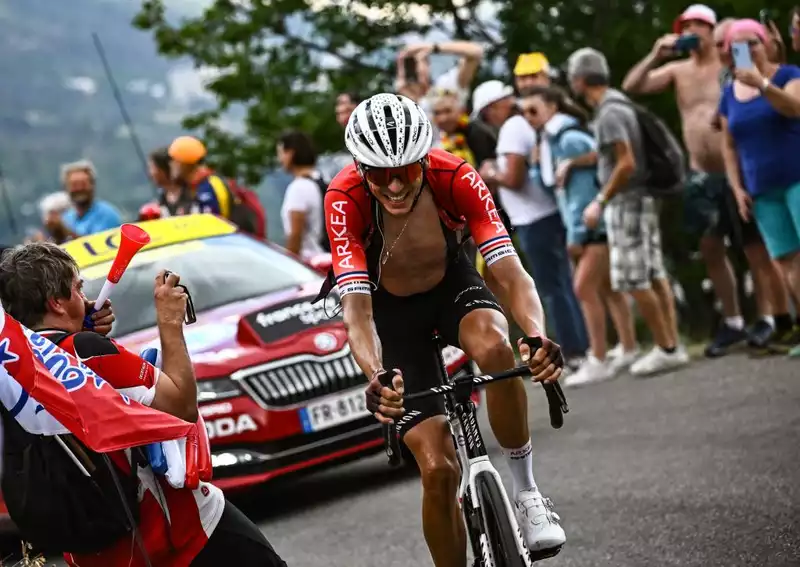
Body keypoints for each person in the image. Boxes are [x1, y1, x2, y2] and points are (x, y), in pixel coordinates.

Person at [320, 93, 566, 567]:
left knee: (495, 346)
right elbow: (357, 312)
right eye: (378, 174)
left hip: (450, 285)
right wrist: (375, 375)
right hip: (390, 313)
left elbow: (511, 272)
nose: (393, 186)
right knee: (437, 469)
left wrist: (536, 334)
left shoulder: (453, 174)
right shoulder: (343, 197)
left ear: (423, 161)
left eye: (406, 172)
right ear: (359, 167)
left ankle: (527, 492)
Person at [0, 242, 290, 566]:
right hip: (182, 535)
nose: (86, 299)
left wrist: (77, 325)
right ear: (57, 302)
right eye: (77, 289)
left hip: (93, 553)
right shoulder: (85, 350)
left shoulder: (11, 373)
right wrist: (169, 322)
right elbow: (180, 406)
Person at [622, 5, 791, 357]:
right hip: (701, 174)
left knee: (755, 248)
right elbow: (632, 86)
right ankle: (732, 321)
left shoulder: (730, 65)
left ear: (714, 32)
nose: (692, 32)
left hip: (739, 169)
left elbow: (769, 66)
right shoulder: (678, 70)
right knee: (711, 246)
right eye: (686, 26)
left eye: (698, 26)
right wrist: (656, 53)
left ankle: (768, 317)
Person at [567, 47, 690, 376]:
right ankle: (672, 344)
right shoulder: (619, 103)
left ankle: (666, 347)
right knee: (653, 272)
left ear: (580, 79)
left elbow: (626, 162)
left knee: (635, 278)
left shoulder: (609, 113)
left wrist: (601, 201)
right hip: (641, 197)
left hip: (627, 200)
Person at [521, 86, 639, 386]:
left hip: (590, 226)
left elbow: (583, 189)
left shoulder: (568, 138)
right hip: (586, 223)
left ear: (551, 106)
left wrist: (577, 233)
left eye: (533, 110)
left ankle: (597, 357)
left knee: (584, 288)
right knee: (608, 288)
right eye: (524, 113)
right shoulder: (550, 142)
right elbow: (557, 188)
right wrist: (537, 164)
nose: (529, 117)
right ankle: (628, 346)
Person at [474, 79, 590, 368]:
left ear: (499, 105)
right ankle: (584, 346)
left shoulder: (513, 128)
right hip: (545, 213)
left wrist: (490, 174)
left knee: (552, 288)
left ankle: (574, 352)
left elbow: (514, 178)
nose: (489, 120)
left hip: (534, 218)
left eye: (489, 113)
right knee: (563, 282)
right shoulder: (523, 125)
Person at [719, 19, 800, 357]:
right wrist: (737, 189)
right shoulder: (729, 93)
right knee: (785, 260)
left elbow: (795, 108)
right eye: (737, 46)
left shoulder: (787, 75)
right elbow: (728, 145)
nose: (747, 50)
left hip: (795, 176)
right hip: (760, 188)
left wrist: (763, 84)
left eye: (752, 42)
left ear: (767, 44)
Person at [278, 130, 326, 259]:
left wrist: (289, 261)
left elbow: (295, 234)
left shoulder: (299, 187)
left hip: (309, 260)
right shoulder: (320, 181)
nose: (280, 159)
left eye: (281, 153)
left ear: (290, 154)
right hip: (327, 256)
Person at [56, 160, 122, 238]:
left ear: (92, 185)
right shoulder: (66, 218)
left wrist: (65, 231)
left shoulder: (107, 214)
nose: (79, 189)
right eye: (74, 185)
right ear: (65, 188)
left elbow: (97, 246)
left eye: (83, 184)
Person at [147, 146, 195, 218]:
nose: (150, 173)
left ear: (163, 169)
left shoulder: (194, 193)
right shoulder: (158, 204)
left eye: (152, 168)